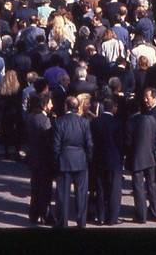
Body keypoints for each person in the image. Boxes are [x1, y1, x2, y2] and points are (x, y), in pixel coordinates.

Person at [51, 96, 93, 228]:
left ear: (66, 107)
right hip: (80, 160)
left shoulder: (59, 122)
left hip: (64, 160)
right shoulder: (84, 122)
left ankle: (62, 222)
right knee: (81, 194)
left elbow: (56, 145)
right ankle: (81, 222)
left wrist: (55, 159)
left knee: (62, 195)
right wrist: (88, 158)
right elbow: (89, 144)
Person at [125, 99, 156, 223]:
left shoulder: (130, 123)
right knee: (152, 185)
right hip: (150, 157)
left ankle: (141, 216)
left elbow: (128, 142)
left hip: (136, 159)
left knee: (138, 188)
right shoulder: (150, 119)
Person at [89, 97, 124, 225]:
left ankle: (101, 217)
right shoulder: (118, 123)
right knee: (114, 190)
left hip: (99, 159)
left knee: (100, 189)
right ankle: (113, 217)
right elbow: (120, 143)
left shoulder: (95, 122)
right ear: (113, 107)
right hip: (114, 160)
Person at [25, 93, 55, 226]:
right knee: (44, 188)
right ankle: (45, 214)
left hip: (34, 157)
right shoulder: (44, 120)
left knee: (35, 186)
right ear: (44, 104)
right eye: (49, 103)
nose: (51, 105)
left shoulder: (31, 117)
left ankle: (33, 213)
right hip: (44, 159)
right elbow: (50, 140)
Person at [0, 69, 25, 160]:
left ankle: (6, 152)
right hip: (16, 112)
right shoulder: (18, 89)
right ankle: (16, 152)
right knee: (17, 132)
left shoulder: (3, 89)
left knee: (6, 132)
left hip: (6, 113)